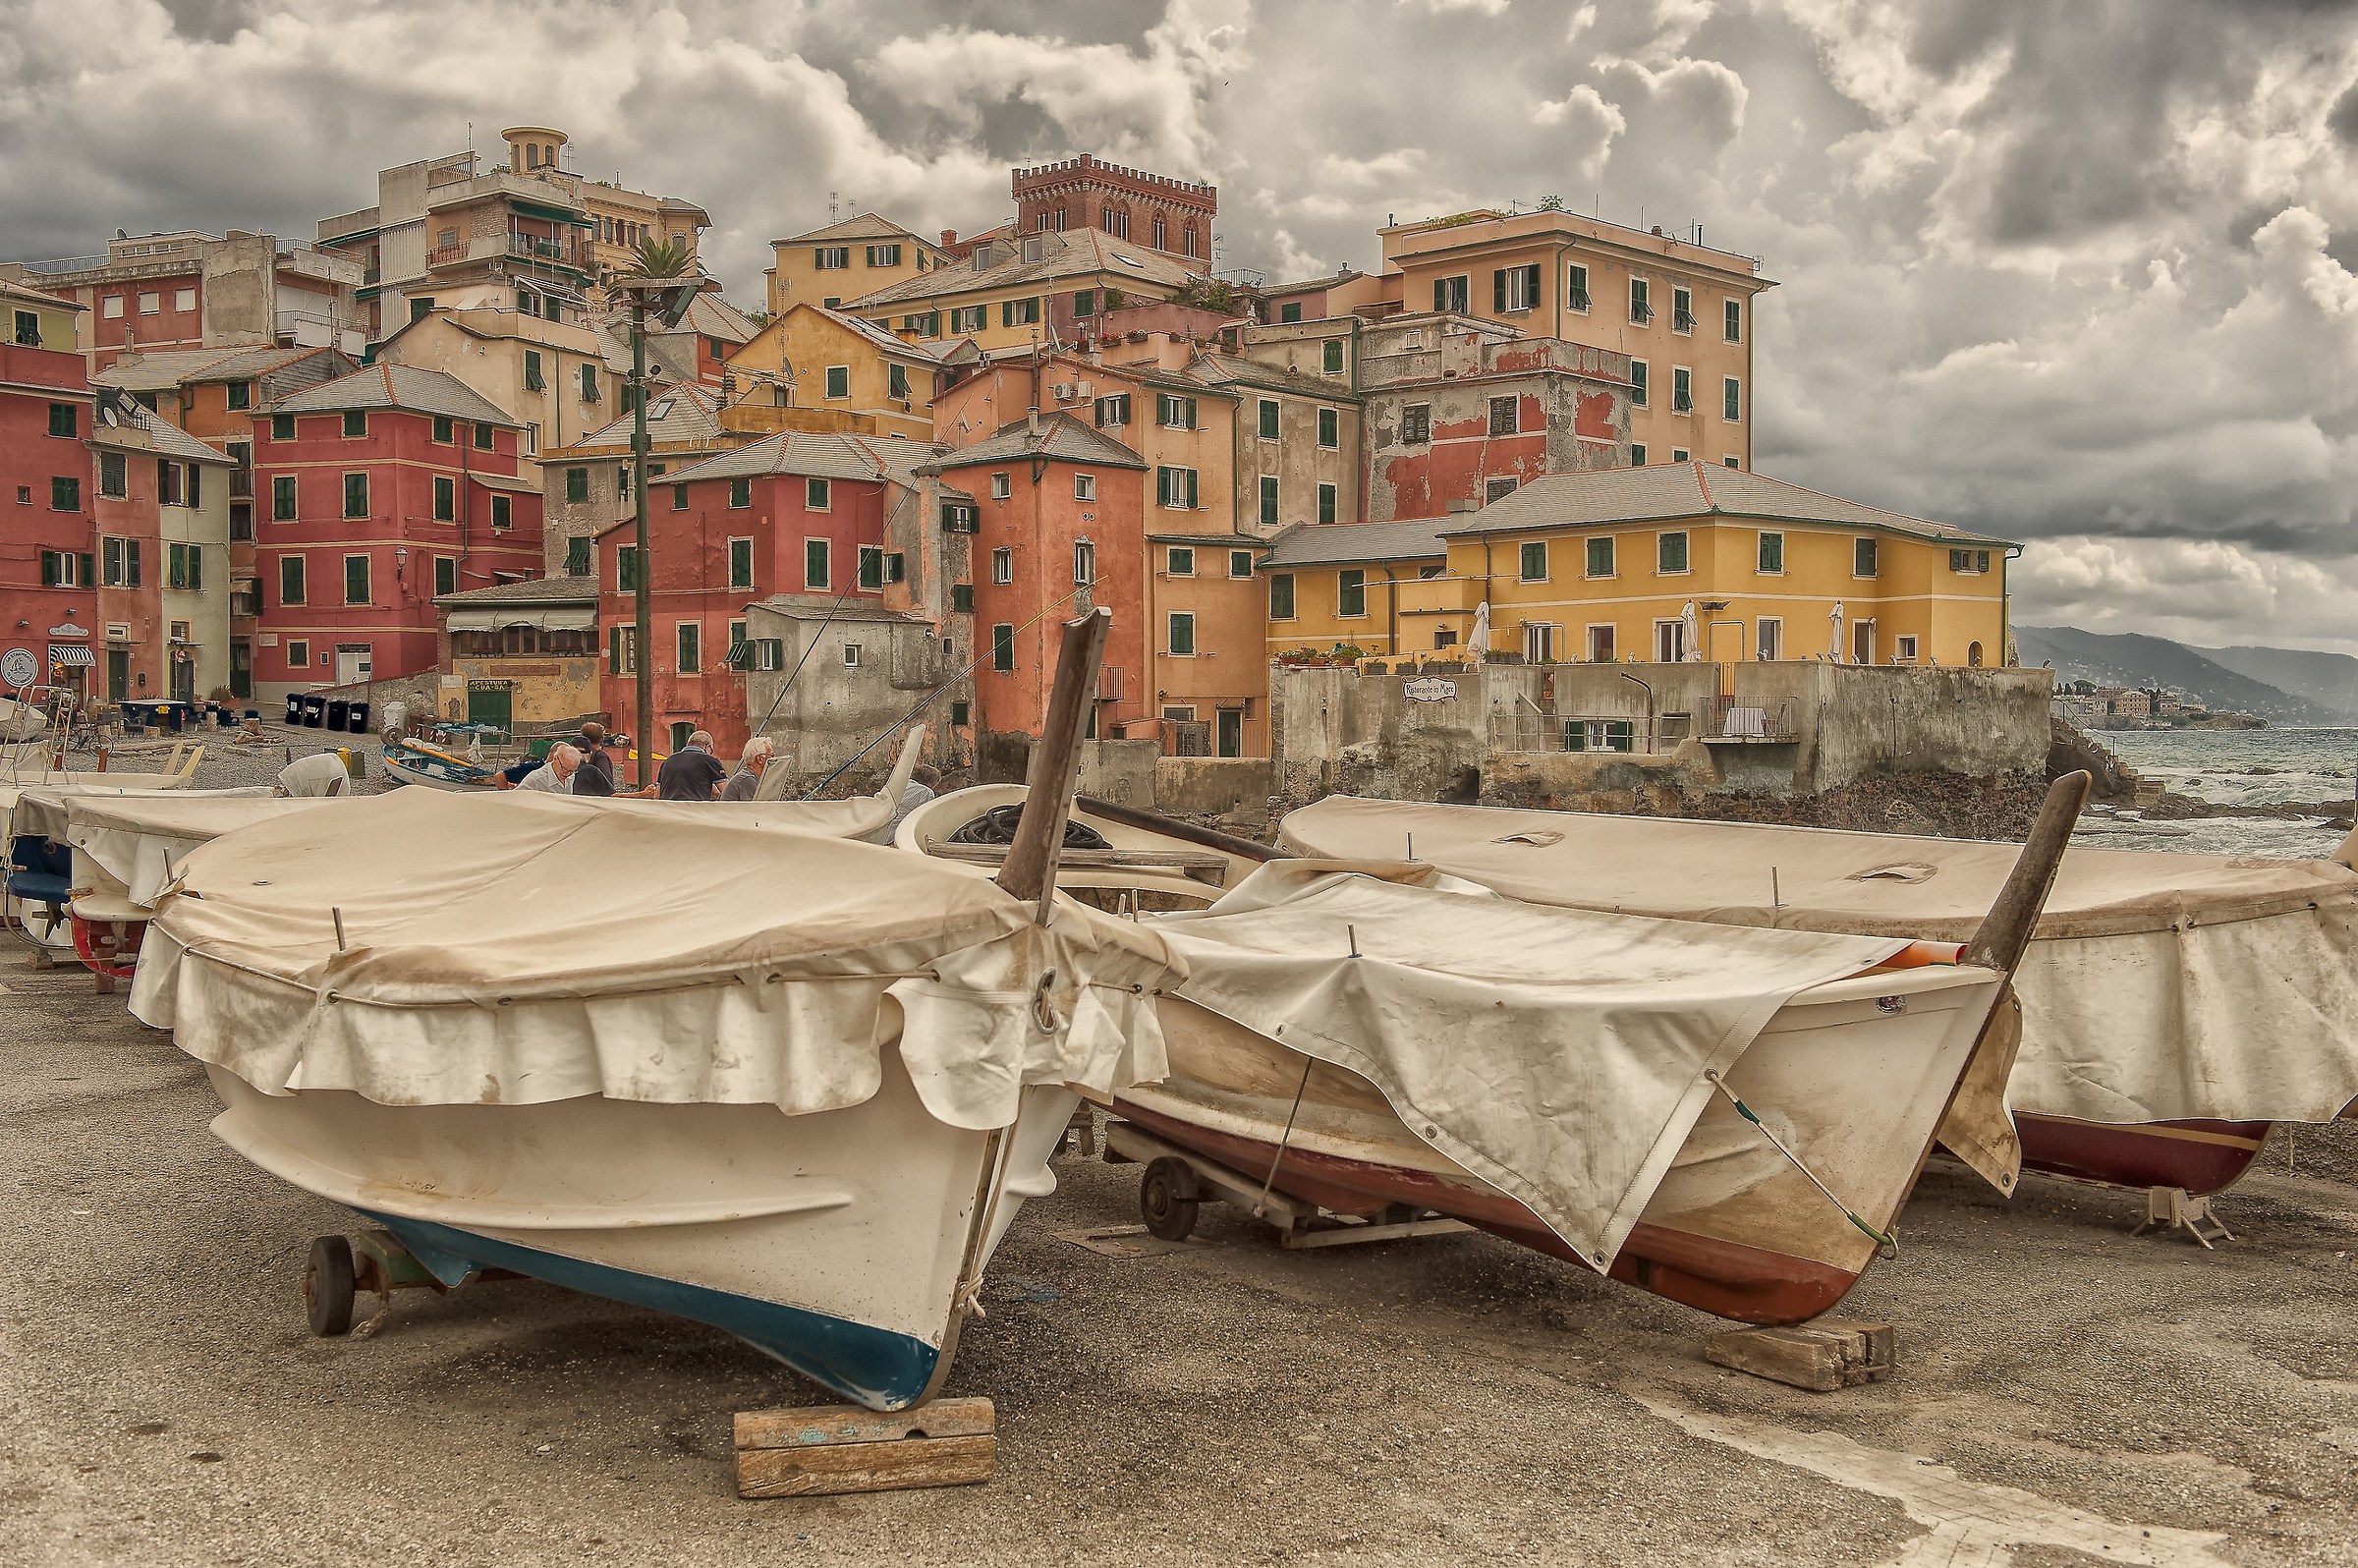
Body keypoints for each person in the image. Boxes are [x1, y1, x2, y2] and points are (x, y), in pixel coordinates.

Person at [656, 729, 728, 801]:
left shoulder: (668, 761)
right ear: (707, 747)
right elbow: (727, 791)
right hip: (694, 809)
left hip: (668, 809)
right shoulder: (709, 760)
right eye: (711, 751)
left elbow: (657, 795)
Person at [882, 763, 941, 842]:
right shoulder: (926, 792)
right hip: (895, 837)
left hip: (881, 832)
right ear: (933, 784)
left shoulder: (901, 784)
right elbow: (924, 820)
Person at [572, 721, 616, 797]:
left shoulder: (571, 753)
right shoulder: (600, 756)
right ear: (602, 738)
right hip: (595, 799)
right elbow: (607, 782)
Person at [721, 736, 773, 802]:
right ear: (760, 758)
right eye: (771, 755)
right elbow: (755, 809)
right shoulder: (747, 779)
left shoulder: (750, 776)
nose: (773, 759)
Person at [516, 743, 582, 793]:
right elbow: (514, 800)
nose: (567, 774)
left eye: (571, 771)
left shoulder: (571, 776)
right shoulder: (535, 780)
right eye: (564, 769)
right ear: (555, 759)